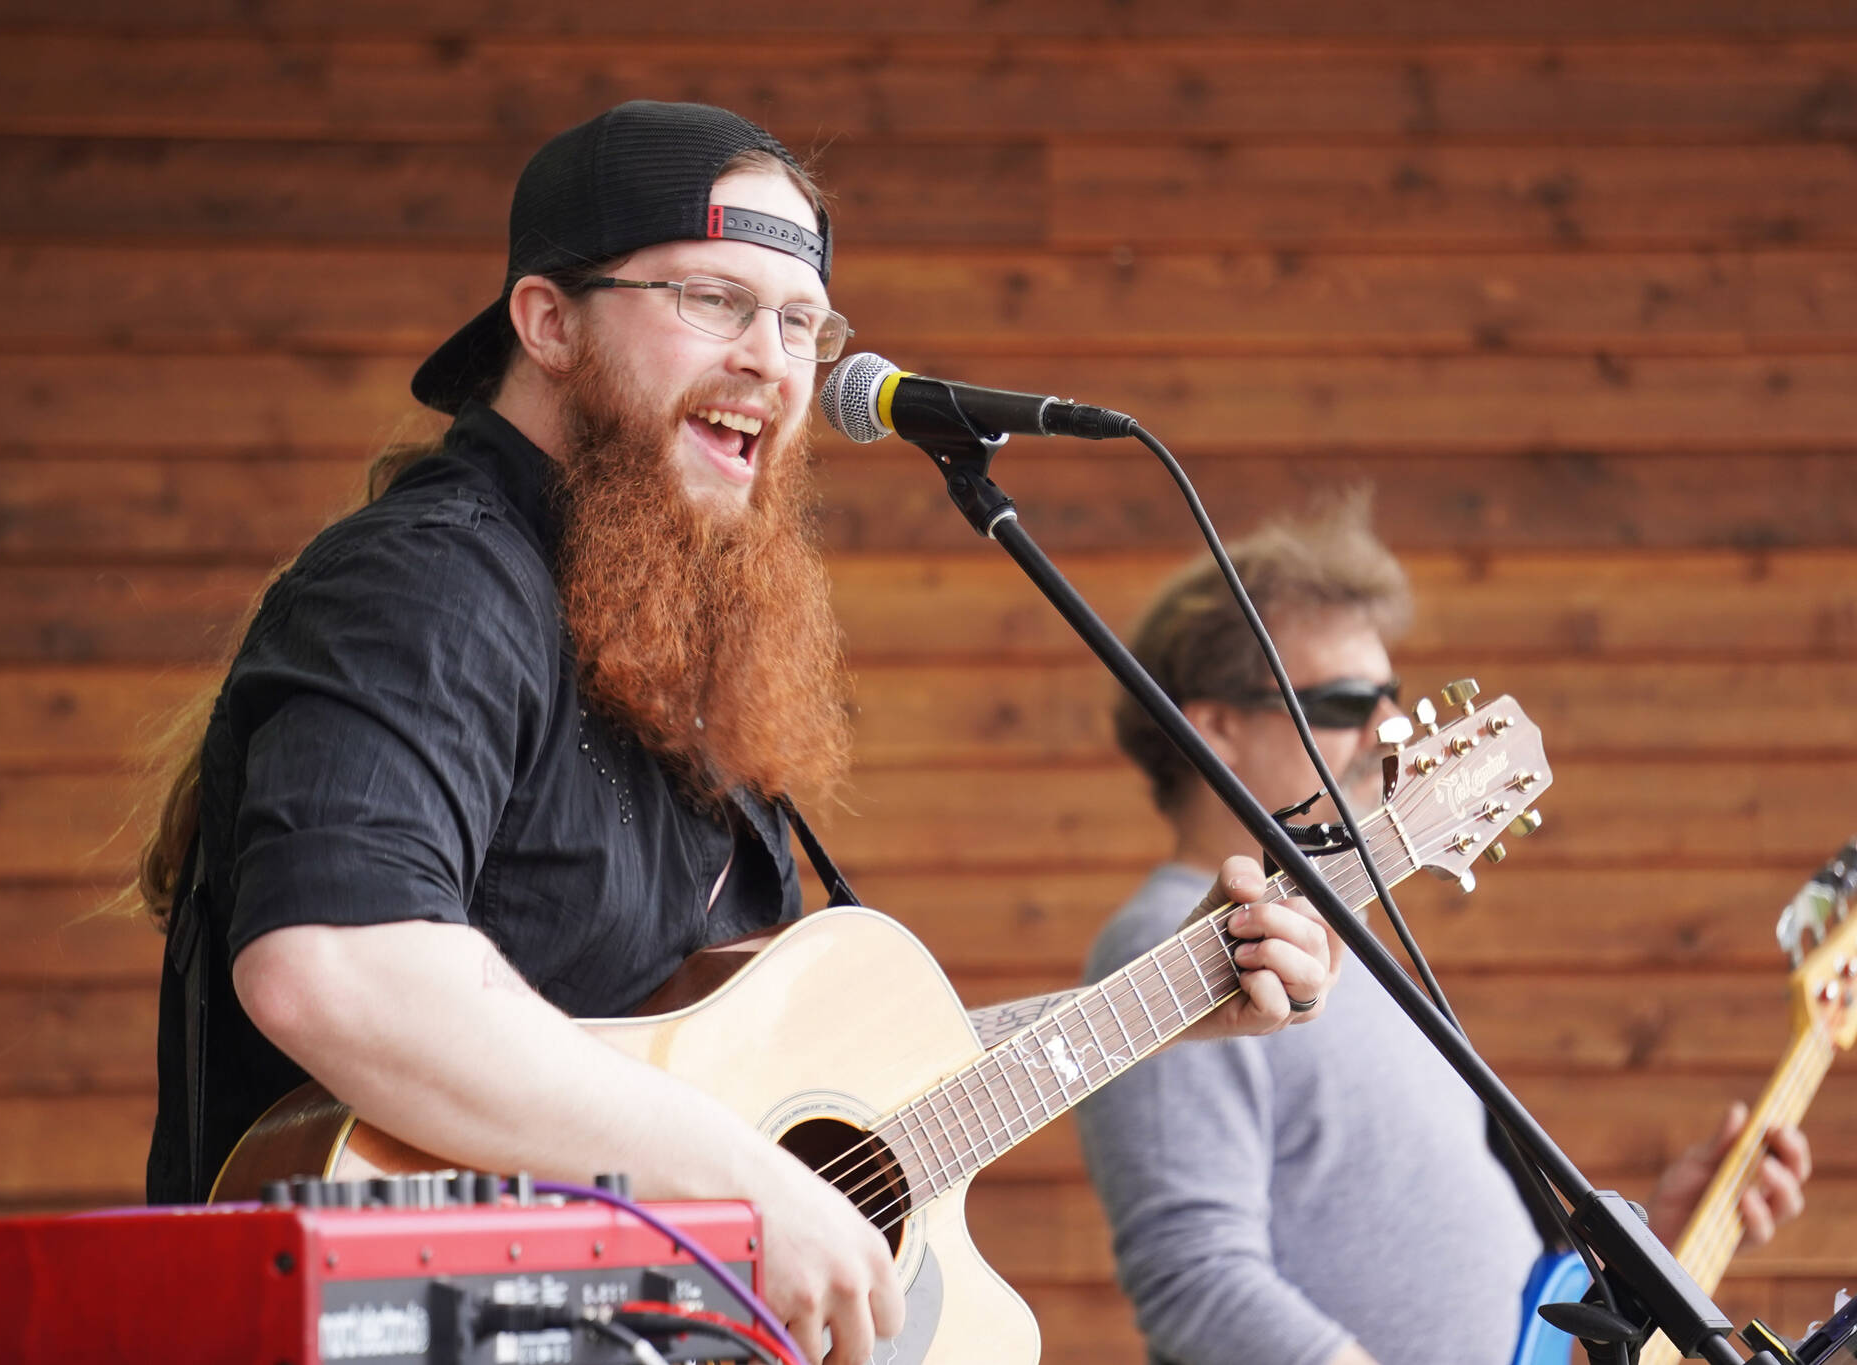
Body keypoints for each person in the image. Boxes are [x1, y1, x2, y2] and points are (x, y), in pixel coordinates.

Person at [126, 100, 1340, 1365]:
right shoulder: (431, 584)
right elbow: (337, 963)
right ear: (546, 323)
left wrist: (1175, 997)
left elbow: (747, 1096)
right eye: (712, 298)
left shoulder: (655, 623)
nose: (772, 357)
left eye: (801, 322)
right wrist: (750, 1186)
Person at [1076, 499, 1813, 1365]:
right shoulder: (1164, 945)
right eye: (1347, 699)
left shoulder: (1333, 940)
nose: (1388, 725)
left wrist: (1660, 1239)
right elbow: (1194, 1280)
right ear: (1216, 728)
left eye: (1391, 693)